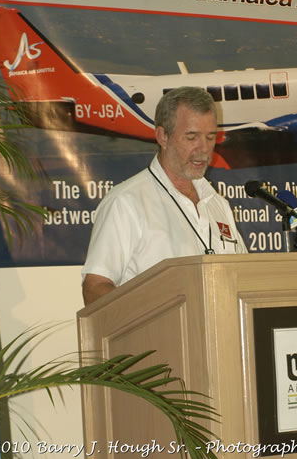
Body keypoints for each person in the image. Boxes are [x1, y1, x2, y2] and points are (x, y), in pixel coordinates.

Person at [82, 86, 247, 304]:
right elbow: (95, 288)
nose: (204, 149)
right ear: (162, 136)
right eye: (192, 137)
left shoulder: (218, 204)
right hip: (157, 336)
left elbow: (245, 278)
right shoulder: (126, 202)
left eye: (210, 137)